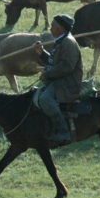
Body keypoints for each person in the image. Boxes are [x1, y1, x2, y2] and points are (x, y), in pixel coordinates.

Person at [34, 14, 83, 145]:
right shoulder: (61, 41)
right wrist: (42, 53)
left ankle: (63, 131)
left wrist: (47, 75)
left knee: (45, 99)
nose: (50, 28)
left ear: (60, 28)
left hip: (67, 83)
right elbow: (54, 61)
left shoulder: (68, 42)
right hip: (59, 80)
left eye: (53, 25)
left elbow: (67, 66)